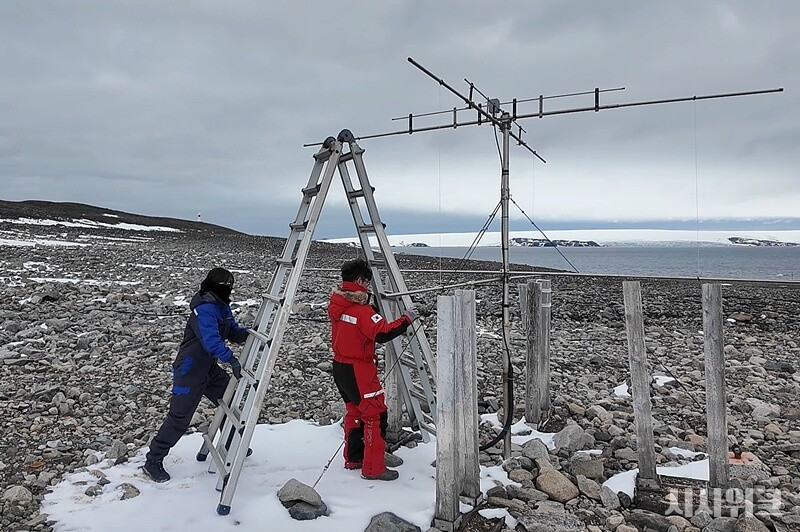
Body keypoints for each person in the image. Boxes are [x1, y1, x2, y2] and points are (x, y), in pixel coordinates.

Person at [142, 267, 249, 482]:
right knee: (179, 419)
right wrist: (231, 359)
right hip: (189, 370)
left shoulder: (221, 306)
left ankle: (229, 442)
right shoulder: (205, 309)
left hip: (208, 369)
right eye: (224, 285)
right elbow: (211, 341)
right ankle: (153, 460)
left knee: (230, 402)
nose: (227, 289)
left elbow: (232, 331)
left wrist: (247, 334)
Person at [328, 259, 419, 481]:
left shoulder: (337, 303)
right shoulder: (362, 311)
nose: (368, 287)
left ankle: (354, 458)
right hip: (359, 369)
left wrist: (374, 308)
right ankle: (373, 468)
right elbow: (383, 333)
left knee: (354, 412)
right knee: (375, 415)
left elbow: (359, 326)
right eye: (366, 283)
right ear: (359, 281)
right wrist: (407, 319)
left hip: (340, 366)